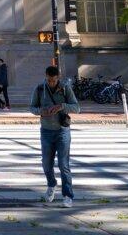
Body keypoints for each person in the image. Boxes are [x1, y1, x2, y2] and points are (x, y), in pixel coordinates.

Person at [28, 65, 80, 208]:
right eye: (49, 80)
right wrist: (41, 111)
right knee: (46, 163)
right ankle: (51, 185)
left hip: (62, 131)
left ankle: (68, 195)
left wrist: (61, 106)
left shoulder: (65, 88)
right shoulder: (39, 89)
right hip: (46, 131)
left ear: (58, 77)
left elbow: (77, 107)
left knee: (64, 165)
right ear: (45, 76)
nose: (51, 83)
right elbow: (32, 107)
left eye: (54, 80)